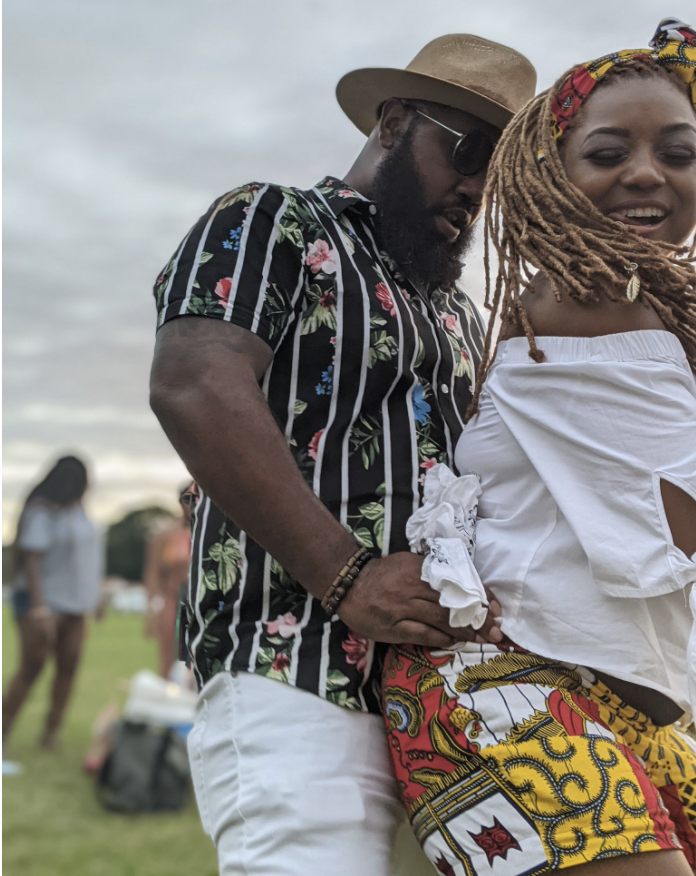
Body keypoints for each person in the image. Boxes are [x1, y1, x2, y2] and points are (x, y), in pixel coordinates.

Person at [149, 33, 536, 876]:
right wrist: (347, 574)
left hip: (439, 700)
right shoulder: (271, 219)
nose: (475, 188)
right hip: (295, 667)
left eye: (496, 174)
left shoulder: (460, 312)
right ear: (394, 121)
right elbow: (195, 382)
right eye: (466, 150)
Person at [383, 19, 696, 876]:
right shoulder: (590, 308)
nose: (646, 172)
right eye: (606, 153)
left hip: (611, 696)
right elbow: (673, 532)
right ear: (550, 178)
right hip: (505, 689)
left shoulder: (637, 310)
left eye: (680, 151)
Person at [3, 455, 104, 753]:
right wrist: (40, 608)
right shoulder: (42, 511)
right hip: (43, 603)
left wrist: (94, 595)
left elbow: (88, 559)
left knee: (69, 666)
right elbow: (32, 563)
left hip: (75, 605)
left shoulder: (80, 512)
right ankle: (4, 730)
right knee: (32, 666)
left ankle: (51, 733)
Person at [143, 482, 193, 678]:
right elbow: (153, 573)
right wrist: (153, 606)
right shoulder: (166, 535)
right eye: (188, 499)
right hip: (174, 602)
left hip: (202, 602)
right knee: (170, 657)